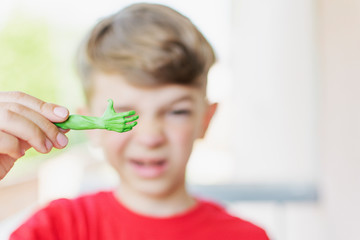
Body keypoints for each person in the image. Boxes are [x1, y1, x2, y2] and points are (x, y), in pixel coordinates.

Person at [3, 3, 269, 239]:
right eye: (122, 116)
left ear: (206, 119)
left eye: (177, 112)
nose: (150, 137)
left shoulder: (247, 236)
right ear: (91, 125)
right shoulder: (54, 229)